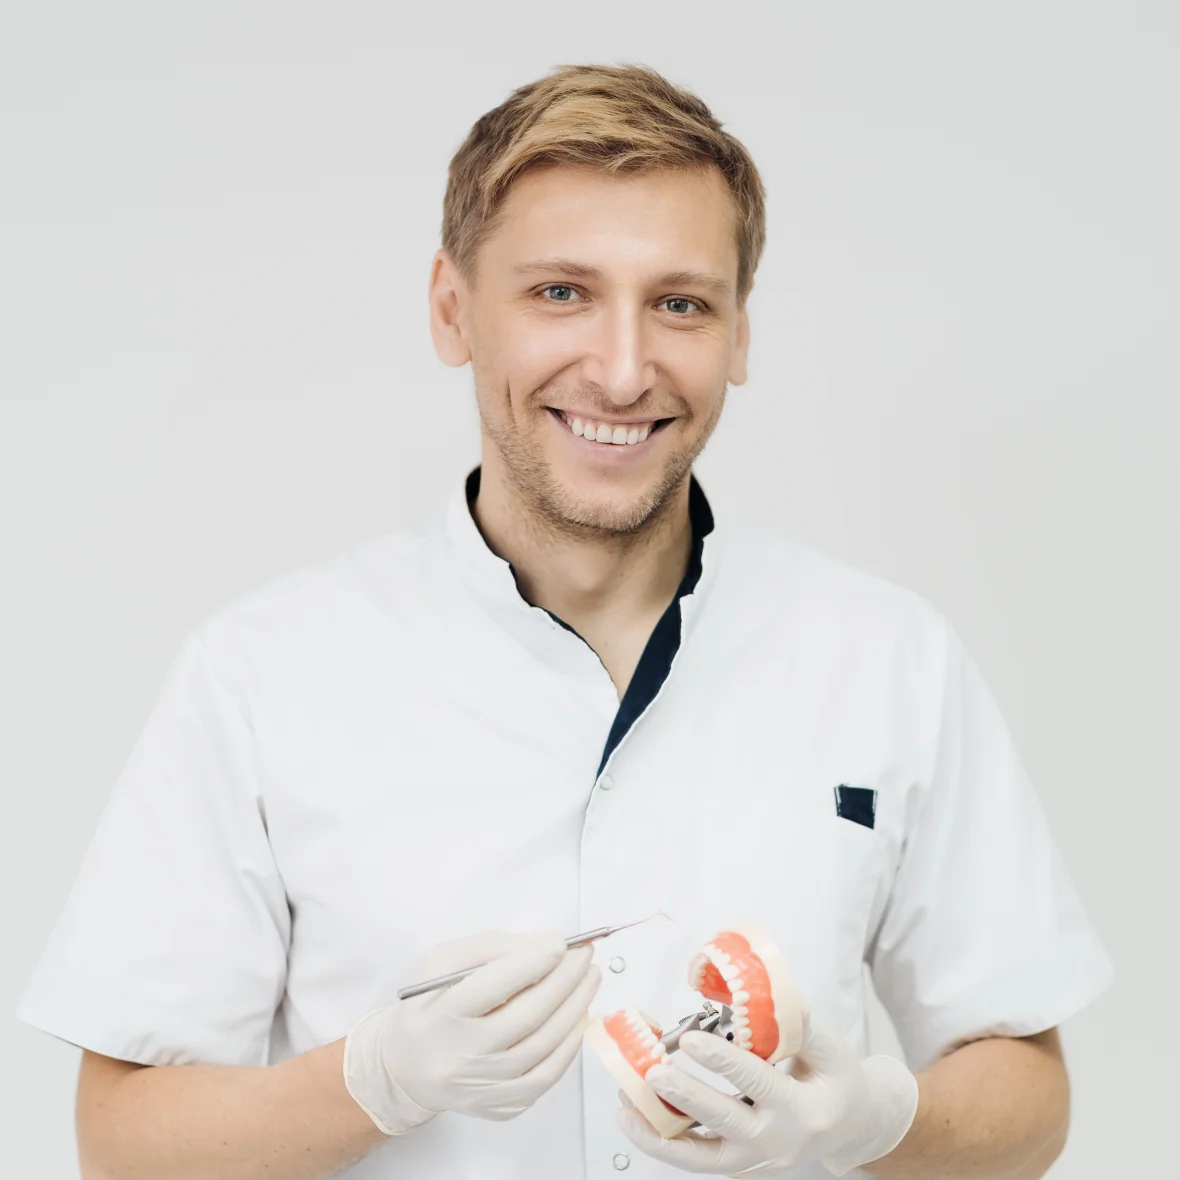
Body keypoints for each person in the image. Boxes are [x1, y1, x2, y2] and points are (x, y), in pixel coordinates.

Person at [18, 62, 1112, 1180]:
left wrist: (876, 1120)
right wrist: (372, 1079)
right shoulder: (261, 676)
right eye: (559, 293)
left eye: (680, 304)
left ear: (738, 334)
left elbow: (1031, 1099)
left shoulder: (890, 661)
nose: (623, 371)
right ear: (453, 309)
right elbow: (122, 1143)